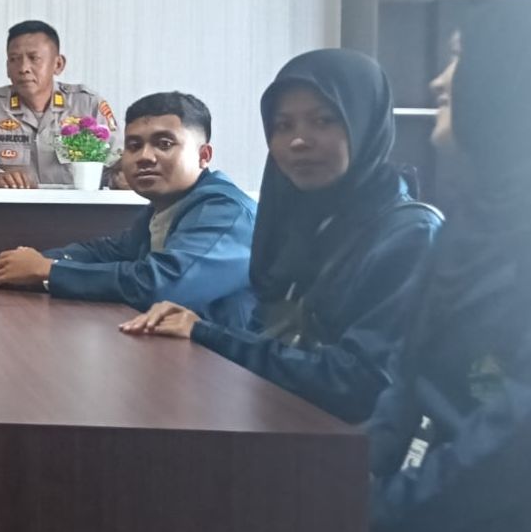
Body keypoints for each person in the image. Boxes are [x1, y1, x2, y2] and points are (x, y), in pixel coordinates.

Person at [363, 0, 531, 532]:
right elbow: (402, 384)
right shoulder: (468, 223)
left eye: (459, 58)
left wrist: (381, 515)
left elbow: (513, 441)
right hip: (456, 529)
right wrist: (353, 486)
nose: (437, 81)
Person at [121, 49, 441, 423]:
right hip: (281, 423)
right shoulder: (300, 219)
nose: (299, 141)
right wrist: (195, 327)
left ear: (364, 122)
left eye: (323, 120)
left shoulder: (408, 234)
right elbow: (271, 336)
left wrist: (207, 334)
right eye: (283, 125)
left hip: (353, 449)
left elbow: (357, 385)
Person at [0, 91, 256, 326]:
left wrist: (48, 270)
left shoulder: (225, 212)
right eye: (134, 146)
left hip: (228, 361)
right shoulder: (165, 208)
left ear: (203, 156)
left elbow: (161, 285)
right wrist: (30, 261)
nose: (144, 157)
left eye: (164, 144)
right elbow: (107, 252)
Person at [0, 19, 119, 188]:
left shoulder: (88, 105)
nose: (23, 68)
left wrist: (121, 177)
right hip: (9, 209)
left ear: (58, 64)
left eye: (34, 58)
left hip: (76, 208)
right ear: (7, 67)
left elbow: (118, 162)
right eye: (14, 59)